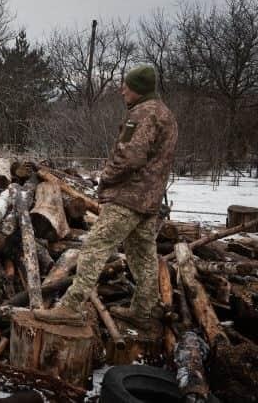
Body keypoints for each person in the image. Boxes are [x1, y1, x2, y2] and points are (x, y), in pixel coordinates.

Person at [33, 65, 178, 330]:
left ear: (139, 89)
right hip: (150, 200)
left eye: (127, 85)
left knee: (93, 248)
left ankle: (70, 307)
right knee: (142, 254)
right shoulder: (165, 114)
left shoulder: (143, 114)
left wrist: (107, 176)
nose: (123, 89)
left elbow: (131, 156)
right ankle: (144, 310)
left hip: (129, 198)